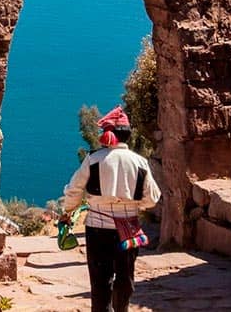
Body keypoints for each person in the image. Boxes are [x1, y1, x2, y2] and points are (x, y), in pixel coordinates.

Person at [60, 106, 161, 312]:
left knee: (100, 281)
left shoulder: (94, 159)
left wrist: (68, 211)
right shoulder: (140, 162)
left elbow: (74, 189)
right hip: (129, 229)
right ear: (128, 135)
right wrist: (133, 206)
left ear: (109, 135)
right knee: (125, 277)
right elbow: (152, 198)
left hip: (97, 229)